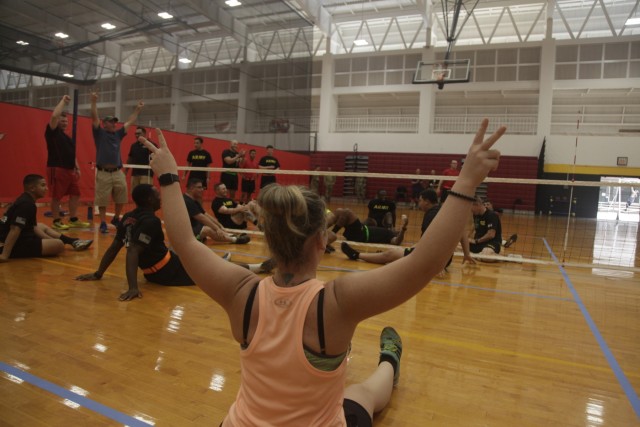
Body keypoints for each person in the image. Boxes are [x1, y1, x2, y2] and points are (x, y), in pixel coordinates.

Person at [137, 118, 505, 425]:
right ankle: (390, 360)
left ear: (269, 238)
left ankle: (388, 362)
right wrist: (467, 182)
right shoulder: (335, 303)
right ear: (320, 240)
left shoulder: (241, 293)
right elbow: (424, 263)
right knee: (359, 394)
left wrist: (168, 177)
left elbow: (185, 243)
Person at [75, 184, 196, 300]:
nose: (160, 197)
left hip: (153, 274)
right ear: (150, 199)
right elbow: (132, 251)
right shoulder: (151, 221)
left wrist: (98, 273)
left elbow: (115, 247)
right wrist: (133, 288)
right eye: (157, 194)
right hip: (168, 272)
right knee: (206, 276)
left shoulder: (128, 216)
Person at [341, 189, 475, 271]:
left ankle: (357, 255)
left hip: (432, 260)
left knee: (390, 255)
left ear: (427, 201)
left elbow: (432, 242)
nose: (418, 203)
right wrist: (466, 254)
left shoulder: (431, 215)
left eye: (420, 200)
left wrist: (438, 265)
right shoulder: (444, 210)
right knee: (400, 251)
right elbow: (461, 231)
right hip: (444, 259)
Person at [0, 174, 92, 262]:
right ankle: (7, 251)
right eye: (43, 185)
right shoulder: (26, 204)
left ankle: (72, 241)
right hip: (10, 242)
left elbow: (34, 227)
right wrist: (5, 255)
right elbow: (15, 229)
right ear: (32, 188)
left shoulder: (27, 199)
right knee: (59, 245)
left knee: (41, 226)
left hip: (17, 236)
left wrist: (49, 239)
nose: (46, 189)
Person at [90, 91, 144, 233]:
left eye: (115, 121)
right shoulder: (99, 133)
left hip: (117, 171)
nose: (114, 124)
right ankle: (102, 222)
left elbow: (130, 121)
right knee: (102, 199)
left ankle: (116, 218)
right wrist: (94, 101)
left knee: (122, 196)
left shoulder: (118, 134)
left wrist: (137, 109)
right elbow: (94, 117)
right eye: (111, 122)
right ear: (104, 124)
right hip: (103, 172)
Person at [45, 95, 90, 230]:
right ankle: (56, 220)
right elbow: (53, 117)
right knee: (56, 196)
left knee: (76, 194)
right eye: (62, 121)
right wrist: (63, 102)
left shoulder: (67, 137)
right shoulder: (52, 132)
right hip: (57, 168)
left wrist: (77, 167)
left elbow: (71, 154)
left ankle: (73, 219)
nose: (64, 123)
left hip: (70, 170)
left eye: (66, 121)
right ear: (57, 122)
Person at [184, 179, 250, 245]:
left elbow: (206, 215)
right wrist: (216, 228)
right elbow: (202, 218)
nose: (202, 190)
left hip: (194, 226)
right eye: (199, 187)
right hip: (186, 231)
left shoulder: (194, 201)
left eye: (202, 187)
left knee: (211, 225)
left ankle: (229, 235)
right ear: (191, 188)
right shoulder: (187, 201)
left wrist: (219, 226)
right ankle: (235, 239)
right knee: (207, 229)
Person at [329, 207, 408, 246]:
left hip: (361, 235)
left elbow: (397, 242)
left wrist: (403, 228)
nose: (397, 229)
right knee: (340, 211)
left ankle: (330, 235)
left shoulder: (390, 235)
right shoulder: (385, 229)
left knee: (347, 212)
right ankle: (321, 232)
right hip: (361, 230)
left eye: (398, 231)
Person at [126, 126, 154, 190]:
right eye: (135, 133)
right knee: (135, 193)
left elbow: (157, 158)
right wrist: (126, 170)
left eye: (139, 133)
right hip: (135, 174)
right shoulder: (134, 146)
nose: (137, 135)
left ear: (144, 134)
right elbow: (130, 158)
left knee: (145, 193)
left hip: (146, 173)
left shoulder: (151, 144)